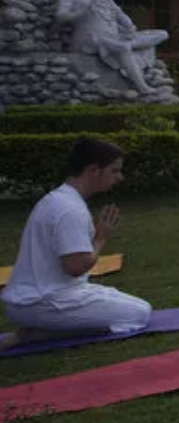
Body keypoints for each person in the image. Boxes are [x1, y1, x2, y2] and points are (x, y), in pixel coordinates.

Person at [1, 138, 151, 349]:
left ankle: (40, 328)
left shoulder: (59, 199)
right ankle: (43, 332)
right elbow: (75, 267)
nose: (120, 177)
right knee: (139, 313)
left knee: (126, 301)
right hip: (40, 302)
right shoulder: (70, 209)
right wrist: (101, 237)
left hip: (35, 297)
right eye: (115, 171)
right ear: (93, 170)